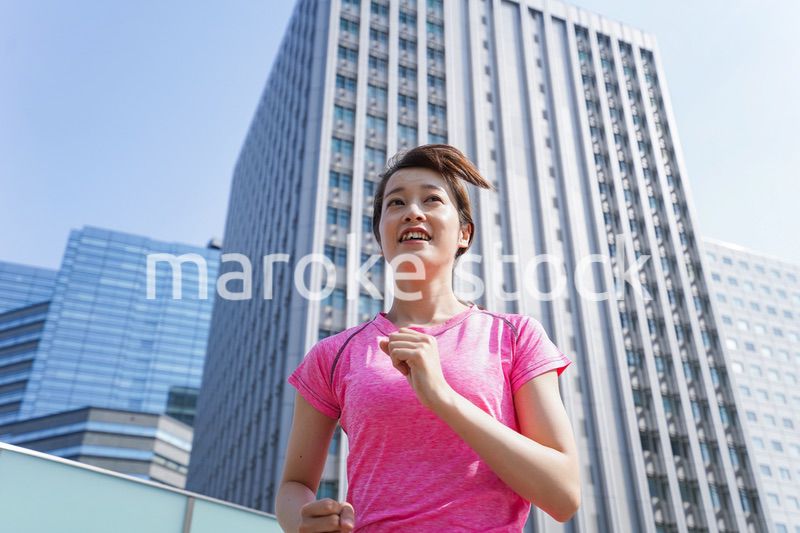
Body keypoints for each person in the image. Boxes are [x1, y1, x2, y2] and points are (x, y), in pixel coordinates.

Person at [276, 144, 580, 532]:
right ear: (381, 236)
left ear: (464, 234)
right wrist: (302, 522)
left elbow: (563, 495)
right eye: (396, 202)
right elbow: (295, 485)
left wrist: (442, 396)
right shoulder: (332, 354)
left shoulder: (516, 336)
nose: (412, 211)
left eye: (432, 199)